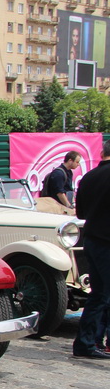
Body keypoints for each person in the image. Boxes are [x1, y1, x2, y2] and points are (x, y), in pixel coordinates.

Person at [72, 139, 110, 359]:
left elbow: (81, 213)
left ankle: (87, 343)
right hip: (105, 241)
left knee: (99, 295)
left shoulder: (89, 176)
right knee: (102, 295)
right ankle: (90, 342)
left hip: (92, 240)